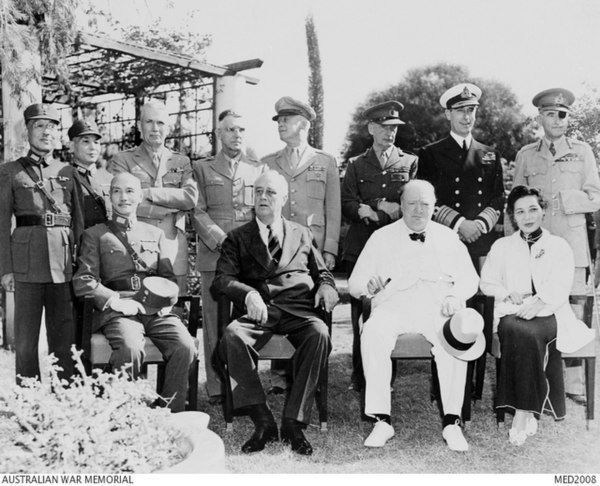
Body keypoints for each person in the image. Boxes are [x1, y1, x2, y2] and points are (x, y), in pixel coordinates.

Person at [348, 180, 484, 452]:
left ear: (434, 208)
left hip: (436, 306)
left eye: (425, 204)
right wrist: (368, 286)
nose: (418, 210)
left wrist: (455, 296)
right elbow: (354, 283)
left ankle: (452, 421)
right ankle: (381, 420)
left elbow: (470, 279)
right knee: (373, 331)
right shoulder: (381, 237)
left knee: (453, 339)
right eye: (411, 204)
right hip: (393, 305)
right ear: (401, 206)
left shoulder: (448, 237)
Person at [212, 170, 338, 456]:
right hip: (261, 310)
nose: (263, 197)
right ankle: (263, 421)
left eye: (269, 192)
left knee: (319, 333)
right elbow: (223, 279)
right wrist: (248, 293)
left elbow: (323, 273)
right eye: (257, 191)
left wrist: (327, 287)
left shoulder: (303, 233)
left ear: (283, 198)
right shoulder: (238, 237)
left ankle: (294, 422)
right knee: (233, 336)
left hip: (298, 308)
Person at [480, 185, 595, 445]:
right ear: (513, 217)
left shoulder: (558, 245)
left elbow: (561, 282)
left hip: (551, 313)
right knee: (516, 329)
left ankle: (522, 412)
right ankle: (527, 410)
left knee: (528, 331)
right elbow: (487, 282)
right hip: (512, 312)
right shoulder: (502, 246)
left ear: (542, 211)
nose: (527, 216)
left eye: (533, 209)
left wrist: (540, 300)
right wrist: (507, 292)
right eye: (520, 212)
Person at [73, 172, 197, 412]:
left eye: (130, 191)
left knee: (185, 346)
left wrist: (167, 301)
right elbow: (84, 281)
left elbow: (169, 279)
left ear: (140, 196)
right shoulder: (95, 234)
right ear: (110, 197)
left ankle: (168, 413)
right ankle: (123, 414)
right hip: (120, 311)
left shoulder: (156, 234)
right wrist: (114, 301)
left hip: (155, 310)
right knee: (130, 348)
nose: (123, 197)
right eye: (117, 191)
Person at [513, 88, 600, 403]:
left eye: (563, 114)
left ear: (568, 118)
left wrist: (569, 200)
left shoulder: (583, 152)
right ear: (541, 118)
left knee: (574, 312)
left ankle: (574, 384)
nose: (558, 120)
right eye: (551, 114)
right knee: (537, 311)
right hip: (536, 249)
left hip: (573, 246)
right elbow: (515, 205)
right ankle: (541, 381)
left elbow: (595, 198)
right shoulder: (526, 155)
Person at [0, 103, 84, 383]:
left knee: (63, 337)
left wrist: (81, 265)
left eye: (51, 126)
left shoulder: (68, 171)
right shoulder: (10, 172)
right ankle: (30, 401)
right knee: (25, 341)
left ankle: (68, 396)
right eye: (39, 125)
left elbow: (78, 224)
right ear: (27, 131)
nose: (46, 132)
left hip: (62, 265)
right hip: (26, 265)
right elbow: (1, 224)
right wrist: (5, 269)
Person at [262, 96, 341, 394]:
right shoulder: (268, 162)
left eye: (287, 119)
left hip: (315, 246)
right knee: (282, 301)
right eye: (279, 120)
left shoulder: (325, 161)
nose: (281, 124)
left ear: (304, 124)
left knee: (312, 308)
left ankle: (309, 371)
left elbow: (333, 209)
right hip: (279, 249)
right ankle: (280, 376)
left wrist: (330, 249)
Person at [341, 100, 418, 391]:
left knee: (392, 309)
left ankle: (388, 376)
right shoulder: (355, 165)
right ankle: (362, 376)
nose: (390, 133)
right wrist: (365, 208)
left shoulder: (410, 162)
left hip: (396, 249)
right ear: (371, 128)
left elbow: (412, 201)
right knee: (362, 310)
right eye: (384, 127)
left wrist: (379, 206)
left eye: (394, 128)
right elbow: (347, 201)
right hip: (361, 247)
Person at [192, 110, 265, 404]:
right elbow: (196, 210)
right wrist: (221, 239)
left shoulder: (258, 169)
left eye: (241, 130)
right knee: (213, 323)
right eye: (231, 129)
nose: (237, 135)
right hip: (215, 255)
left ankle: (244, 386)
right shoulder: (201, 168)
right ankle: (217, 388)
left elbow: (264, 211)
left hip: (249, 260)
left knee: (247, 322)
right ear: (219, 134)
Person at [109, 99, 199, 294]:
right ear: (140, 126)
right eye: (149, 122)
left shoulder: (181, 161)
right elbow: (122, 202)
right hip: (134, 243)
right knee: (134, 307)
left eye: (160, 123)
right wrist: (172, 205)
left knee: (173, 308)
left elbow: (190, 198)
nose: (155, 128)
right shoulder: (123, 160)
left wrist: (147, 193)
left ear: (169, 128)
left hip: (172, 244)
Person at [418, 83, 505, 272]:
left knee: (483, 298)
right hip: (445, 240)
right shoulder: (430, 154)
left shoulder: (490, 154)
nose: (467, 117)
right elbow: (425, 200)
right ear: (448, 114)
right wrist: (460, 224)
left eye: (471, 110)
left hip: (482, 241)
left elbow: (498, 197)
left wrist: (479, 225)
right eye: (460, 111)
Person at [68, 119, 112, 228]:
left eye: (96, 142)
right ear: (71, 146)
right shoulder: (65, 178)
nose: (93, 147)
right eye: (86, 141)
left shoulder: (109, 178)